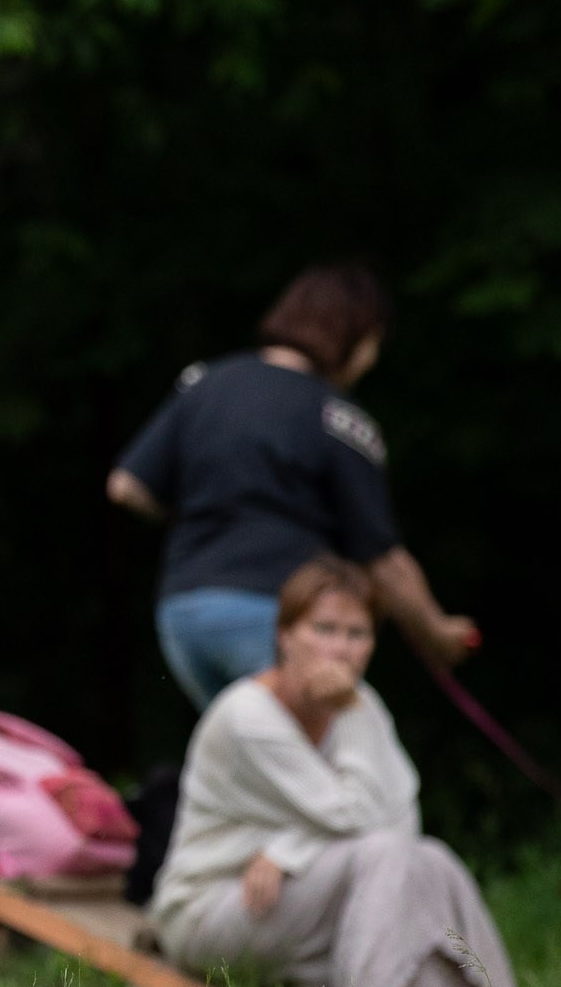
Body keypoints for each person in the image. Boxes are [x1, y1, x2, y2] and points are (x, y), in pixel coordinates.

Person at [149, 556, 515, 987]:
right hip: (214, 906)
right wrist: (349, 711)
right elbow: (359, 817)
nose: (340, 650)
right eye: (323, 629)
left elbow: (404, 818)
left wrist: (287, 850)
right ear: (284, 636)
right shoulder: (246, 716)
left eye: (356, 634)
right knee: (387, 856)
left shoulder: (361, 705)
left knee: (430, 861)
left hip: (301, 893)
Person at [107, 263, 478, 711]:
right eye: (373, 342)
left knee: (252, 760)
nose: (372, 359)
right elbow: (384, 560)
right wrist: (435, 632)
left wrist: (198, 514)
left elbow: (126, 486)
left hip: (183, 614)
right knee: (322, 760)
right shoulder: (337, 416)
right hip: (275, 614)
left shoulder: (205, 382)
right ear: (353, 335)